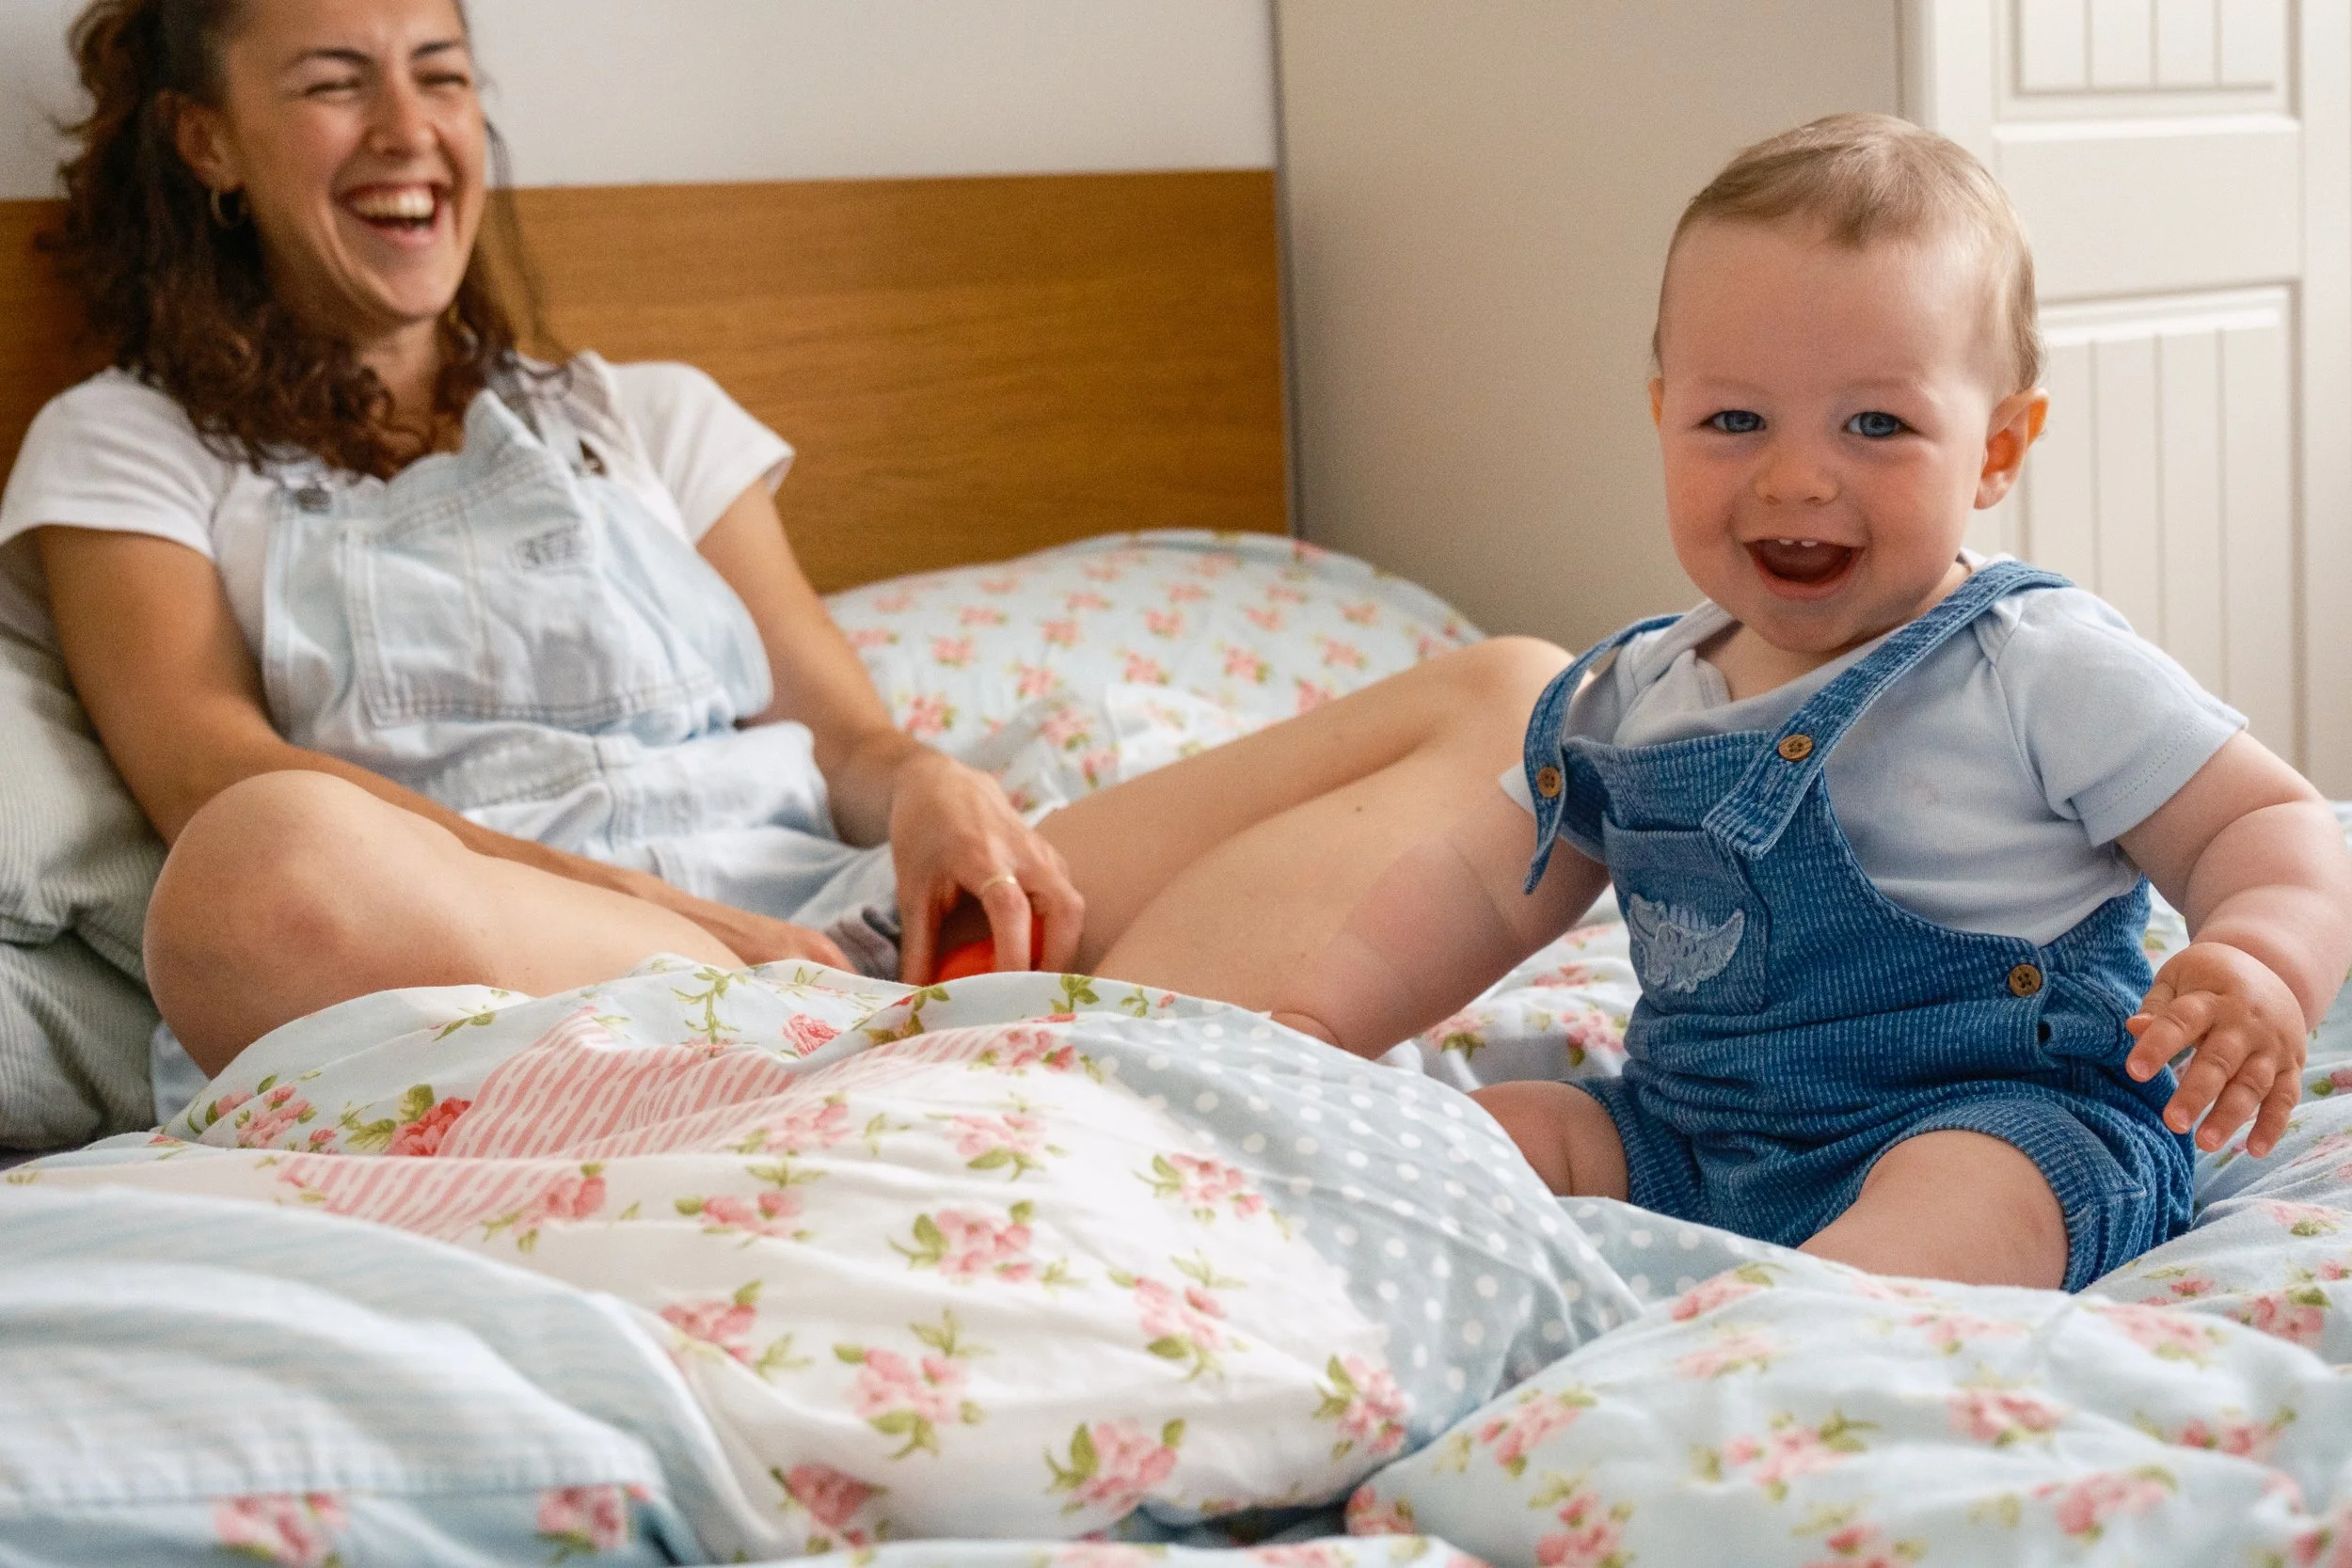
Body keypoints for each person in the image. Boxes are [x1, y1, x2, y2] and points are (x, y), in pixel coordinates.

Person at [0, 0, 1566, 1080]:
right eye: (335, 80)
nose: (409, 129)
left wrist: (937, 791)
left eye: (444, 72)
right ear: (205, 142)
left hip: (838, 935)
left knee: (1526, 704)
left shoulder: (645, 416)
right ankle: (991, 1059)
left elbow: (843, 739)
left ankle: (949, 1056)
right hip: (529, 961)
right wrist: (696, 938)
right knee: (250, 871)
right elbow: (213, 774)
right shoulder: (129, 442)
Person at [1268, 114, 2352, 1293]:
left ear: (1995, 449)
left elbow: (2265, 824)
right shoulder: (1631, 693)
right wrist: (1319, 1029)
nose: (1796, 476)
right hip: (1686, 1134)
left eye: (1875, 424)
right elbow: (1479, 886)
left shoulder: (2034, 661)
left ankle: (1787, 1335)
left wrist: (2258, 958)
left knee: (1962, 1200)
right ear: (1660, 414)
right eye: (1734, 421)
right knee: (1461, 1146)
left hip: (2000, 1116)